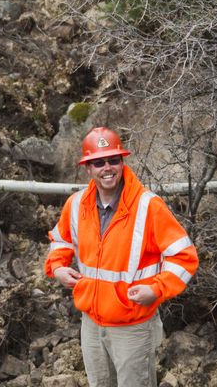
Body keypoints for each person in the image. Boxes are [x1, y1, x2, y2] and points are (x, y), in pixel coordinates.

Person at [44, 126, 199, 387]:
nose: (107, 167)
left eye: (113, 160)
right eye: (98, 162)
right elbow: (60, 240)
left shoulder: (149, 206)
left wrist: (156, 289)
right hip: (91, 324)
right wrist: (57, 267)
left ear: (122, 161)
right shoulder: (76, 204)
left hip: (132, 325)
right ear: (88, 168)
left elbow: (184, 256)